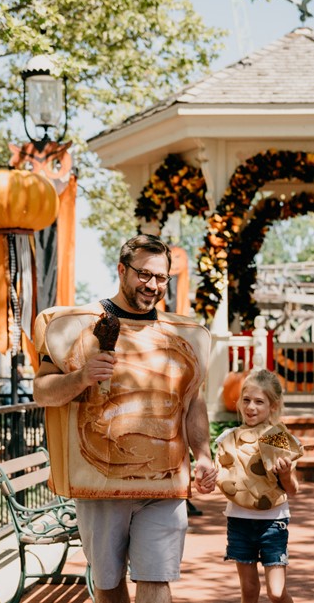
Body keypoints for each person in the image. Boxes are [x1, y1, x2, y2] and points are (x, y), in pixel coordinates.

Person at [33, 234, 216, 603]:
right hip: (99, 484)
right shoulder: (74, 328)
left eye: (161, 278)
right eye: (144, 274)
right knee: (109, 585)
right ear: (122, 270)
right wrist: (81, 377)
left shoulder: (185, 336)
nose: (153, 285)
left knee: (156, 579)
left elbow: (192, 401)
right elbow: (42, 392)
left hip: (163, 486)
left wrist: (204, 453)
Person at [214, 370, 299, 603]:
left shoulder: (277, 438)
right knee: (249, 590)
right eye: (246, 400)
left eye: (259, 402)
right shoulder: (229, 438)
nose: (251, 407)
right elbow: (222, 478)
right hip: (239, 520)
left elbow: (292, 490)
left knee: (277, 592)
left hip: (273, 521)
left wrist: (285, 474)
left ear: (273, 406)